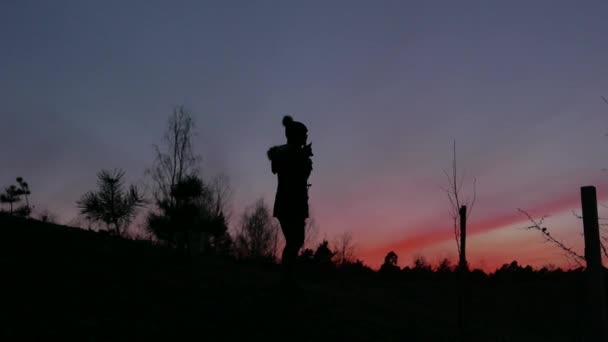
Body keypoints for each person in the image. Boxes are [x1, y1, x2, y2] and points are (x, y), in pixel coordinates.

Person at [267, 115, 313, 287]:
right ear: (296, 135)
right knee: (294, 242)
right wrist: (304, 158)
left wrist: (304, 157)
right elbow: (301, 174)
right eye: (304, 134)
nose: (306, 137)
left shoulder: (287, 153)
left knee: (294, 242)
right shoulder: (294, 154)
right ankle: (286, 281)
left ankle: (287, 279)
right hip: (291, 204)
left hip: (289, 203)